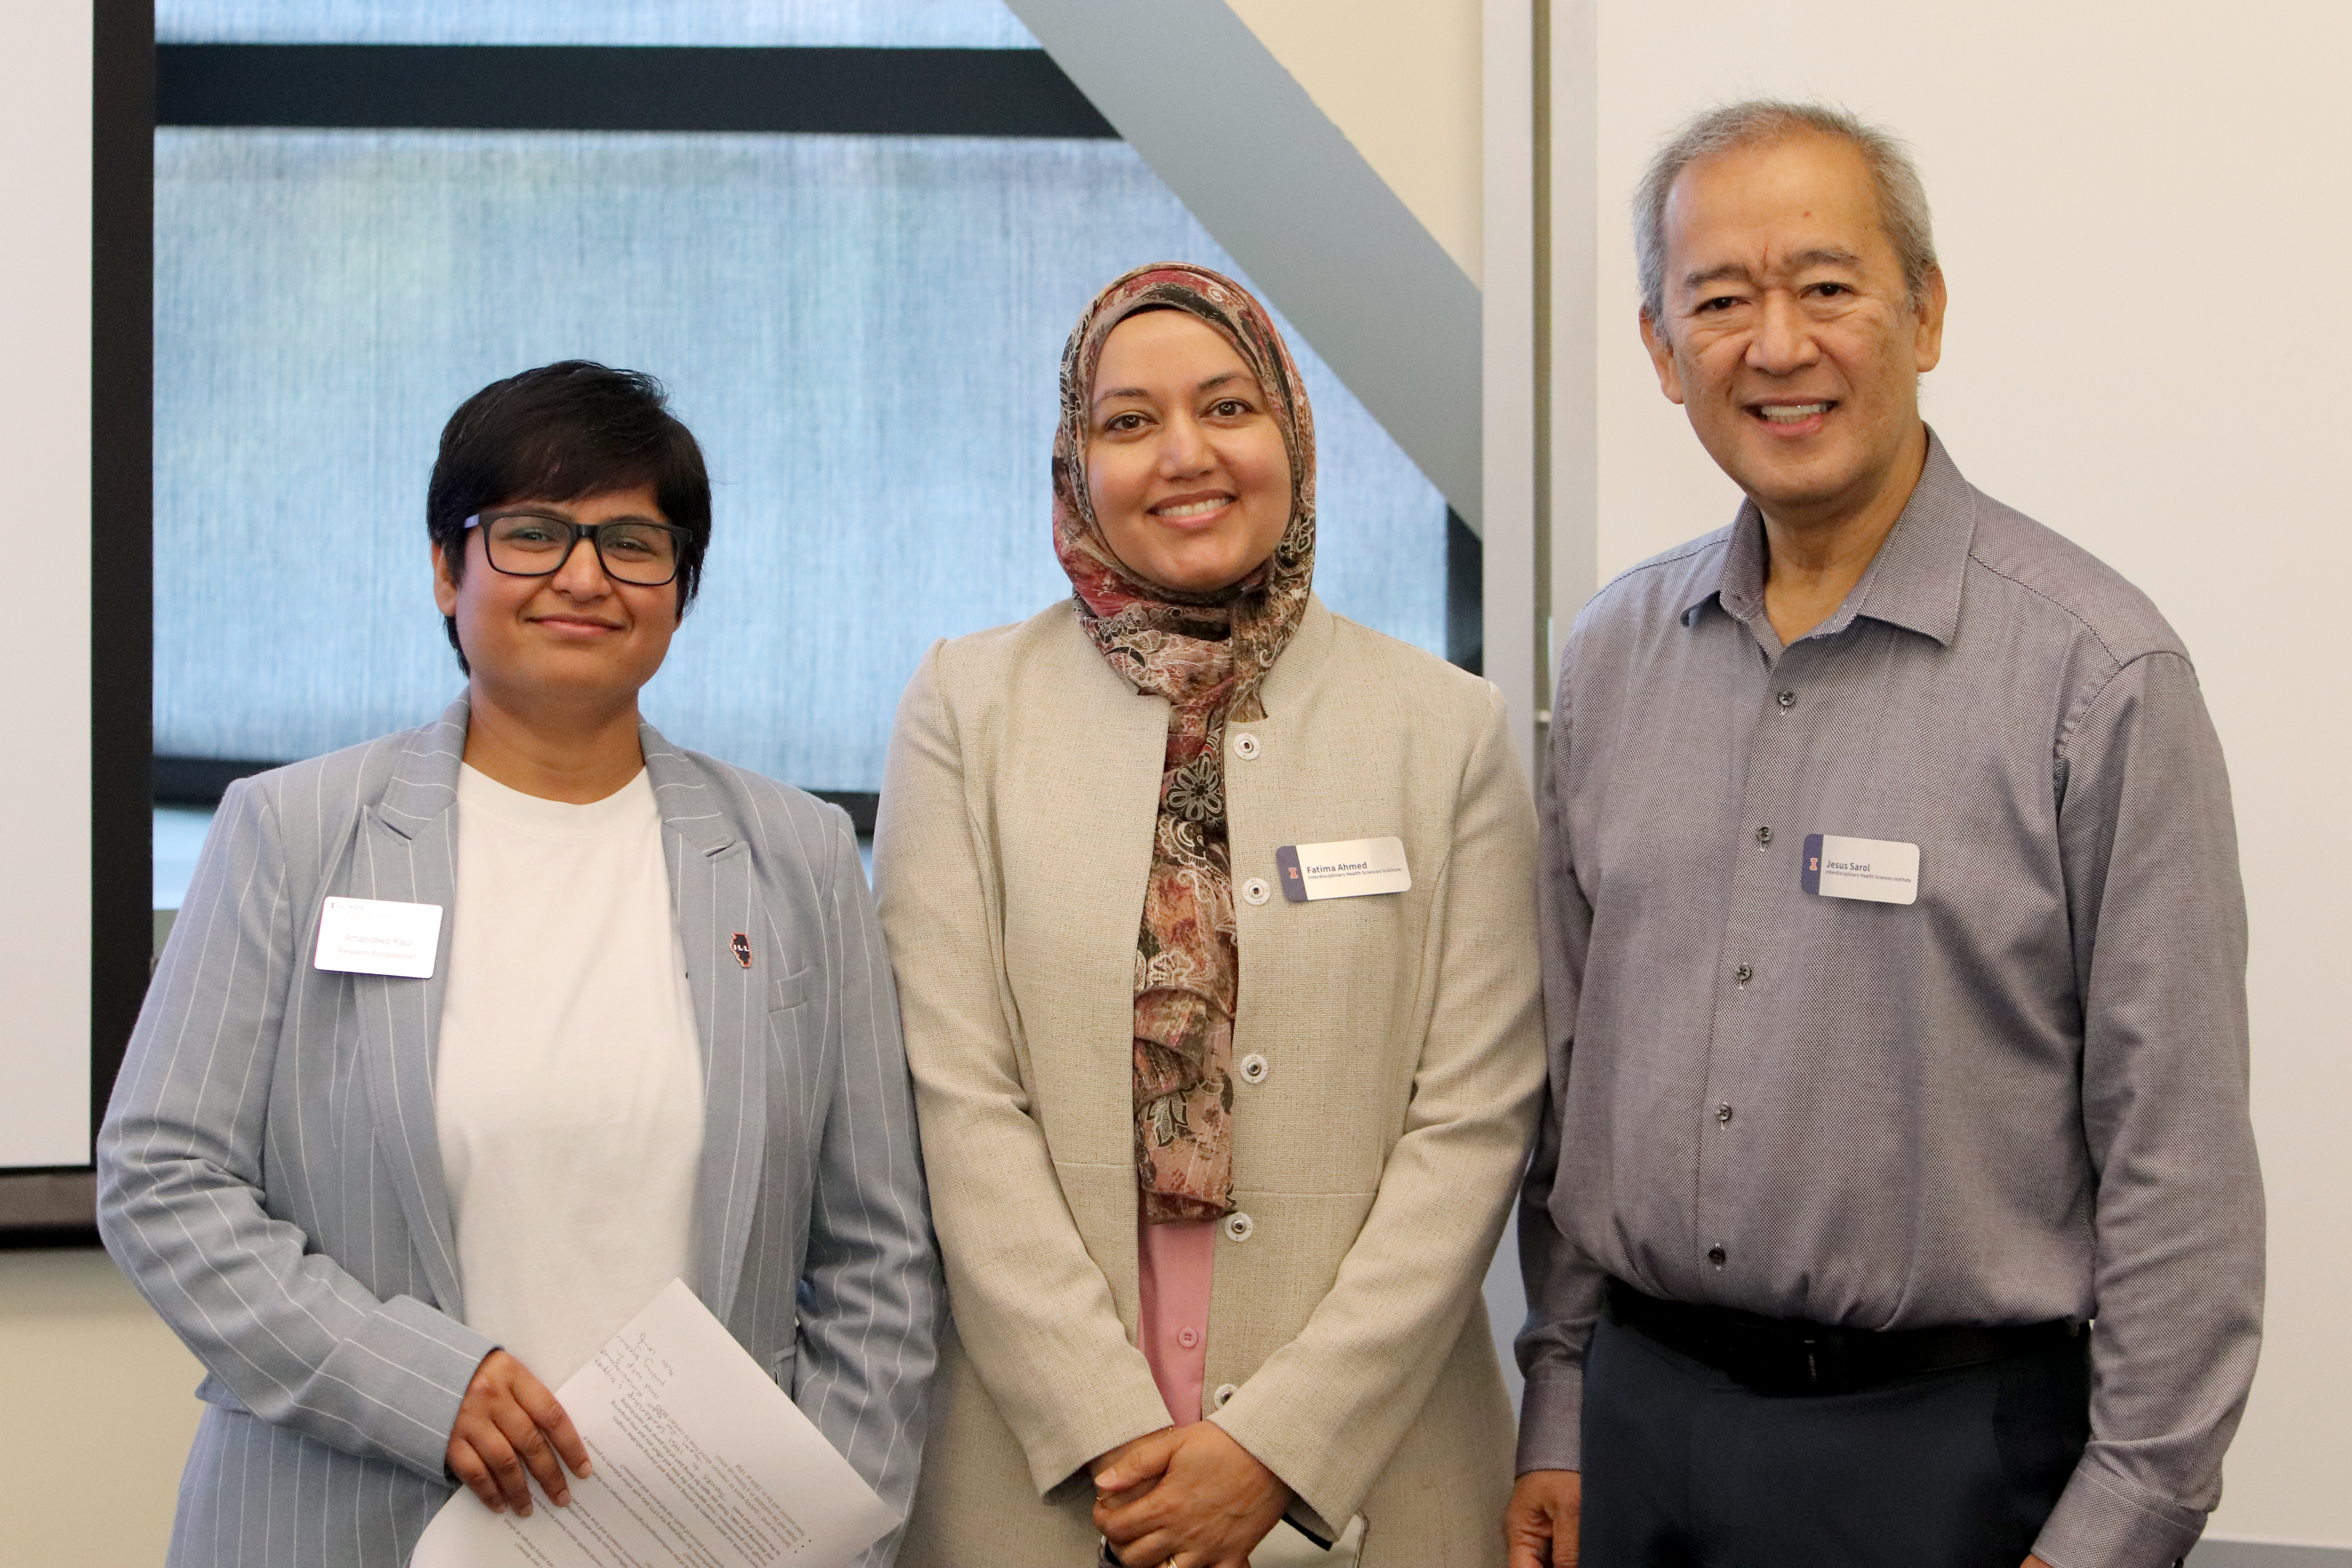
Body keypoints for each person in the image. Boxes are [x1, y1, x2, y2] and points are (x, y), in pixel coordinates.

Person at [1505, 102, 2263, 1568]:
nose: (1775, 344)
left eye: (1826, 286)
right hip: (1641, 1433)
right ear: (1662, 354)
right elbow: (1574, 1077)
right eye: (1718, 301)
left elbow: (2176, 1152)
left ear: (1922, 315)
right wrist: (1560, 1401)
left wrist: (2122, 1526)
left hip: (1949, 1464)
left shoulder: (2096, 676)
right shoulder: (1612, 659)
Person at [98, 361, 939, 1568]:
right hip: (341, 1524)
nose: (585, 576)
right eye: (534, 533)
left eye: (633, 542)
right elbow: (162, 1179)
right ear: (449, 567)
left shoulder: (797, 854)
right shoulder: (291, 832)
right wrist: (424, 1385)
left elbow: (877, 1261)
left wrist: (819, 1534)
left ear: (681, 589)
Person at [874, 263, 1543, 1567]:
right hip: (1052, 1473)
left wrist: (1278, 1447)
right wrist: (1106, 1425)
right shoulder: (968, 708)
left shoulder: (1441, 727)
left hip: (1375, 1468)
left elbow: (1473, 1116)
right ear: (1076, 459)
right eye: (1128, 422)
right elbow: (954, 1093)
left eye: (1227, 406)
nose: (1184, 454)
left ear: (1290, 431)